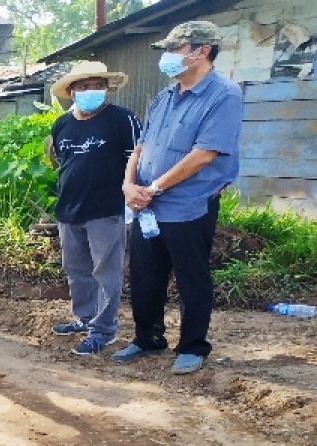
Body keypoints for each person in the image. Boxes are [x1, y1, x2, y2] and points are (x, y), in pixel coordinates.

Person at [113, 21, 242, 375]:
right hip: (146, 206)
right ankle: (147, 338)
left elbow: (204, 154)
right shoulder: (164, 96)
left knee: (191, 277)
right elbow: (140, 147)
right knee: (144, 275)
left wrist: (154, 188)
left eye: (175, 49)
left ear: (202, 50)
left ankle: (193, 346)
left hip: (188, 206)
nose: (168, 57)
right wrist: (128, 185)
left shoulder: (224, 96)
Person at [47, 62, 141, 356]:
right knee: (76, 269)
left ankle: (104, 330)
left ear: (106, 88)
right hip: (69, 208)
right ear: (72, 91)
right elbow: (63, 163)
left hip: (106, 209)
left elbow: (137, 159)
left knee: (106, 270)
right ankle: (85, 318)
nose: (91, 91)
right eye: (84, 87)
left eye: (97, 85)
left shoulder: (122, 120)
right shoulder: (62, 124)